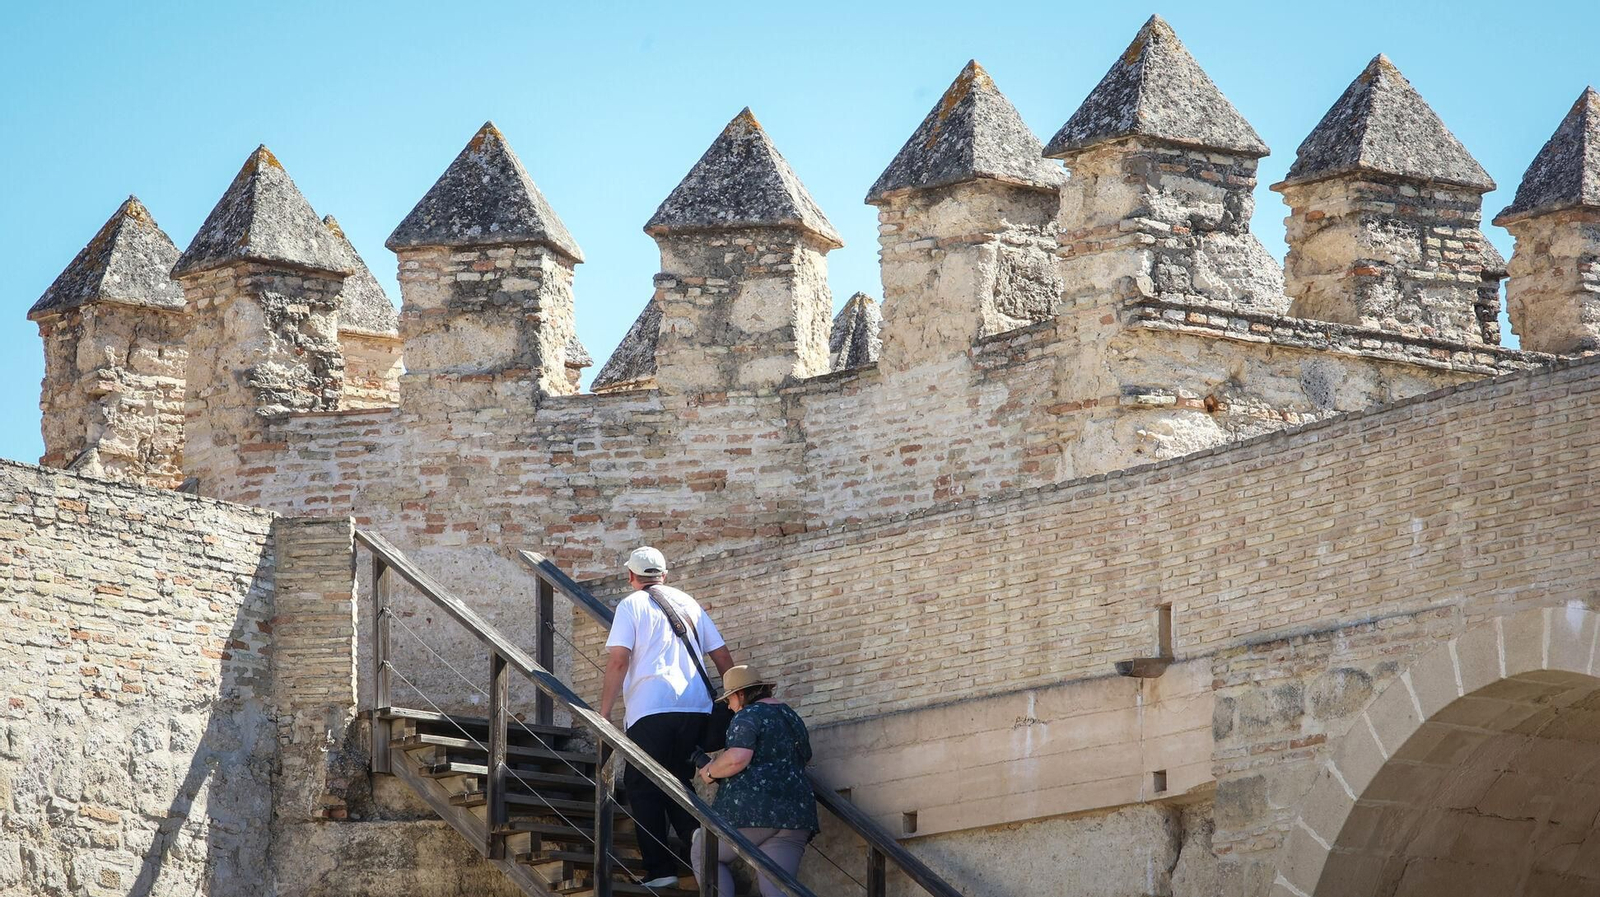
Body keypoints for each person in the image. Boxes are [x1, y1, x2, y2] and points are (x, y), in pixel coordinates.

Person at [600, 546, 735, 889]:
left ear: (631, 576)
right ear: (664, 575)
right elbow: (721, 656)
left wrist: (603, 713)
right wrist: (739, 701)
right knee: (676, 778)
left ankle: (660, 870)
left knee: (641, 785)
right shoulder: (687, 602)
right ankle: (698, 847)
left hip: (652, 708)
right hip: (696, 709)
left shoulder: (631, 605)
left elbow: (619, 660)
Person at [692, 666, 819, 897]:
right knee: (777, 890)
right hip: (797, 814)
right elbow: (806, 755)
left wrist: (710, 771)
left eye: (729, 698)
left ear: (741, 694)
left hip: (753, 812)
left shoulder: (748, 715)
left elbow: (737, 758)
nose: (729, 706)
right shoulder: (791, 716)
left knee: (703, 851)